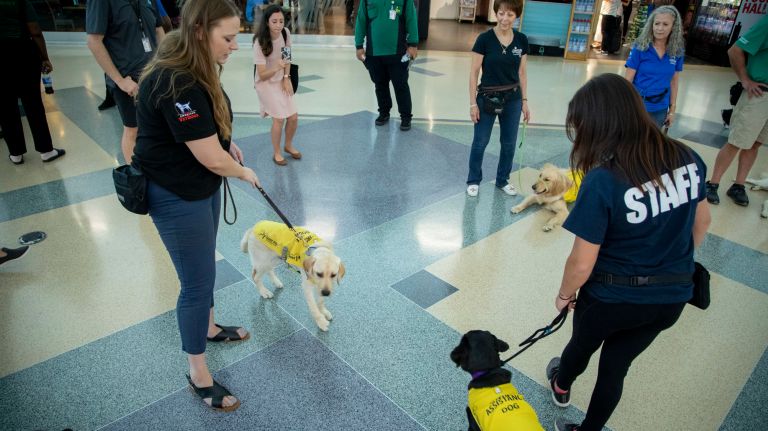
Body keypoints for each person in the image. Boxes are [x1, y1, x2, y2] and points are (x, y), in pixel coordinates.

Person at [545, 74, 711, 431]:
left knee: (581, 347)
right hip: (671, 297)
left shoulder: (603, 180)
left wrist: (564, 294)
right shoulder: (688, 157)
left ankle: (561, 383)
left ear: (601, 125)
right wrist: (670, 259)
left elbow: (582, 261)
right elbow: (702, 223)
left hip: (610, 298)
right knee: (617, 367)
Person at [132, 0, 260, 412]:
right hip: (175, 194)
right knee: (196, 283)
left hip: (198, 185)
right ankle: (198, 373)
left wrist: (226, 144)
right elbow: (208, 157)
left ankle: (208, 327)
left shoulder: (194, 65)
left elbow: (206, 136)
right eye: (228, 38)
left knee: (206, 265)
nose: (234, 46)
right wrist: (242, 172)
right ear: (201, 32)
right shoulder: (176, 80)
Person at [87, 0, 165, 164]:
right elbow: (94, 41)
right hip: (128, 79)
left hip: (155, 74)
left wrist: (166, 62)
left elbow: (158, 29)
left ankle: (159, 169)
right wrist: (120, 80)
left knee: (159, 126)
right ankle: (137, 176)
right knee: (133, 130)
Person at [465, 0, 530, 198]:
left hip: (513, 98)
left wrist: (525, 101)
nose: (504, 18)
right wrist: (472, 103)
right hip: (487, 97)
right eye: (501, 13)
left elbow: (522, 72)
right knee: (480, 141)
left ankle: (503, 179)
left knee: (509, 143)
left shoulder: (521, 40)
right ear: (496, 13)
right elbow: (473, 73)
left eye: (510, 15)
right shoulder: (484, 39)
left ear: (516, 16)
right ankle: (473, 180)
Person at [705, 15, 768, 207]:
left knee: (755, 144)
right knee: (736, 141)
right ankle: (712, 184)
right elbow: (735, 50)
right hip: (759, 94)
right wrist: (745, 80)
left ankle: (738, 186)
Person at [1, 0, 65, 165]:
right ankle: (46, 150)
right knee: (33, 103)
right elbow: (35, 30)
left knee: (6, 107)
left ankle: (15, 153)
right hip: (22, 52)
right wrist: (44, 57)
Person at [354, 0, 418, 131]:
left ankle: (406, 117)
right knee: (380, 84)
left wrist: (413, 44)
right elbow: (361, 20)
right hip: (374, 53)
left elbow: (411, 19)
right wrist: (359, 45)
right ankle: (384, 112)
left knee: (401, 85)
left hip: (398, 53)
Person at [253, 5, 301, 166]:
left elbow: (287, 58)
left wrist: (286, 78)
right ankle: (277, 152)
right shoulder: (259, 42)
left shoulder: (285, 34)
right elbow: (262, 74)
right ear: (267, 22)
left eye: (281, 21)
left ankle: (288, 145)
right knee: (279, 119)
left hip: (281, 78)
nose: (279, 25)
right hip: (265, 82)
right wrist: (277, 67)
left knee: (293, 117)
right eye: (274, 21)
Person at [624, 5, 684, 129]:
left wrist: (672, 110)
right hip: (637, 105)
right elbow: (627, 81)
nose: (659, 28)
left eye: (665, 24)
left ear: (674, 27)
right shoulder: (640, 47)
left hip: (660, 108)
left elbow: (674, 81)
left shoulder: (677, 51)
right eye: (657, 23)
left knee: (650, 144)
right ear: (651, 25)